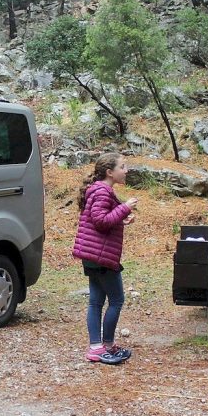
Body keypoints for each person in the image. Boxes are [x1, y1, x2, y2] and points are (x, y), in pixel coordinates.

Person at [72, 152, 138, 365]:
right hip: (100, 255)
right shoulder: (102, 191)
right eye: (123, 166)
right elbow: (100, 221)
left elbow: (100, 221)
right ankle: (105, 345)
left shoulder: (99, 190)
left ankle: (97, 347)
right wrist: (125, 207)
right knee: (116, 299)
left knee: (96, 301)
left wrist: (121, 219)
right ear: (110, 172)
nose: (126, 170)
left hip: (92, 254)